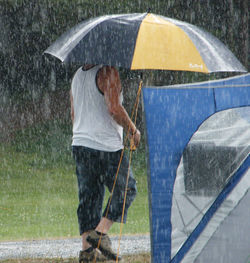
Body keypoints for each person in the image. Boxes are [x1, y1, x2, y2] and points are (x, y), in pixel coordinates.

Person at [70, 64, 141, 262]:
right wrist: (132, 130)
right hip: (106, 145)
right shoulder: (108, 72)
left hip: (80, 143)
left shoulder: (77, 76)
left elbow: (73, 115)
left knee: (90, 197)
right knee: (127, 188)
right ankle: (100, 234)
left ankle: (87, 252)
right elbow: (114, 108)